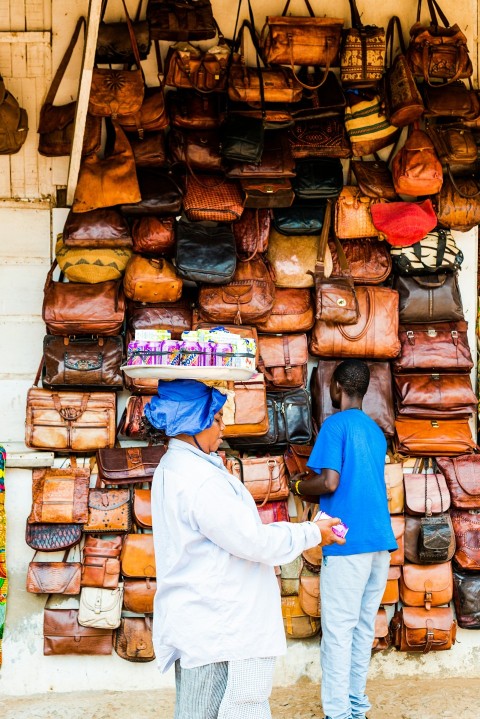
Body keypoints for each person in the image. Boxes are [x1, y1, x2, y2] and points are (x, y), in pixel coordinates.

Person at [145, 379, 346, 719]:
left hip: (208, 624)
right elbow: (253, 542)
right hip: (217, 631)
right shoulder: (200, 480)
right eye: (218, 418)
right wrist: (312, 533)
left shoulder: (178, 467)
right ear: (197, 421)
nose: (223, 428)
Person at [289, 359, 397, 719]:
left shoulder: (335, 426)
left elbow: (331, 483)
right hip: (379, 541)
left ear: (336, 388)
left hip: (346, 542)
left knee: (338, 631)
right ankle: (356, 707)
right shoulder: (376, 432)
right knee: (363, 629)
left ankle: (337, 714)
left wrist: (299, 485)